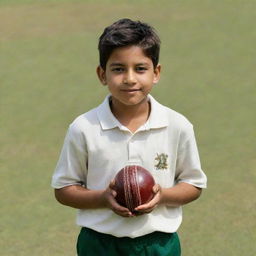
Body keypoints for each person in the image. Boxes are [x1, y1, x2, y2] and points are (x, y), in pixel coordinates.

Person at [51, 18, 207, 256]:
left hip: (158, 243)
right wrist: (103, 198)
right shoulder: (83, 127)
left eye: (140, 68)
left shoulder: (177, 125)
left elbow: (194, 184)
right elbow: (64, 188)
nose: (130, 78)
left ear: (156, 73)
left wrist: (162, 195)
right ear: (102, 75)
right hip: (99, 243)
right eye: (118, 69)